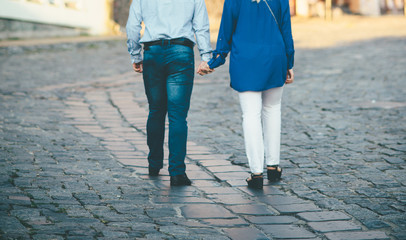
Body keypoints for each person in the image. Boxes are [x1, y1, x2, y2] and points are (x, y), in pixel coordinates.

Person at [206, 0, 295, 189]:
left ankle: (256, 173)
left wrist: (215, 60)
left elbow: (226, 31)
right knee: (272, 110)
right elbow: (285, 28)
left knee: (251, 115)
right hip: (274, 56)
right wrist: (290, 62)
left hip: (245, 60)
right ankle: (273, 166)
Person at [126, 0, 213, 186]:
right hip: (181, 52)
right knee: (178, 115)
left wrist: (135, 55)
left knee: (156, 110)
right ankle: (177, 172)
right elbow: (201, 26)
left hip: (153, 52)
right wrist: (206, 56)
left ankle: (154, 164)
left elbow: (132, 26)